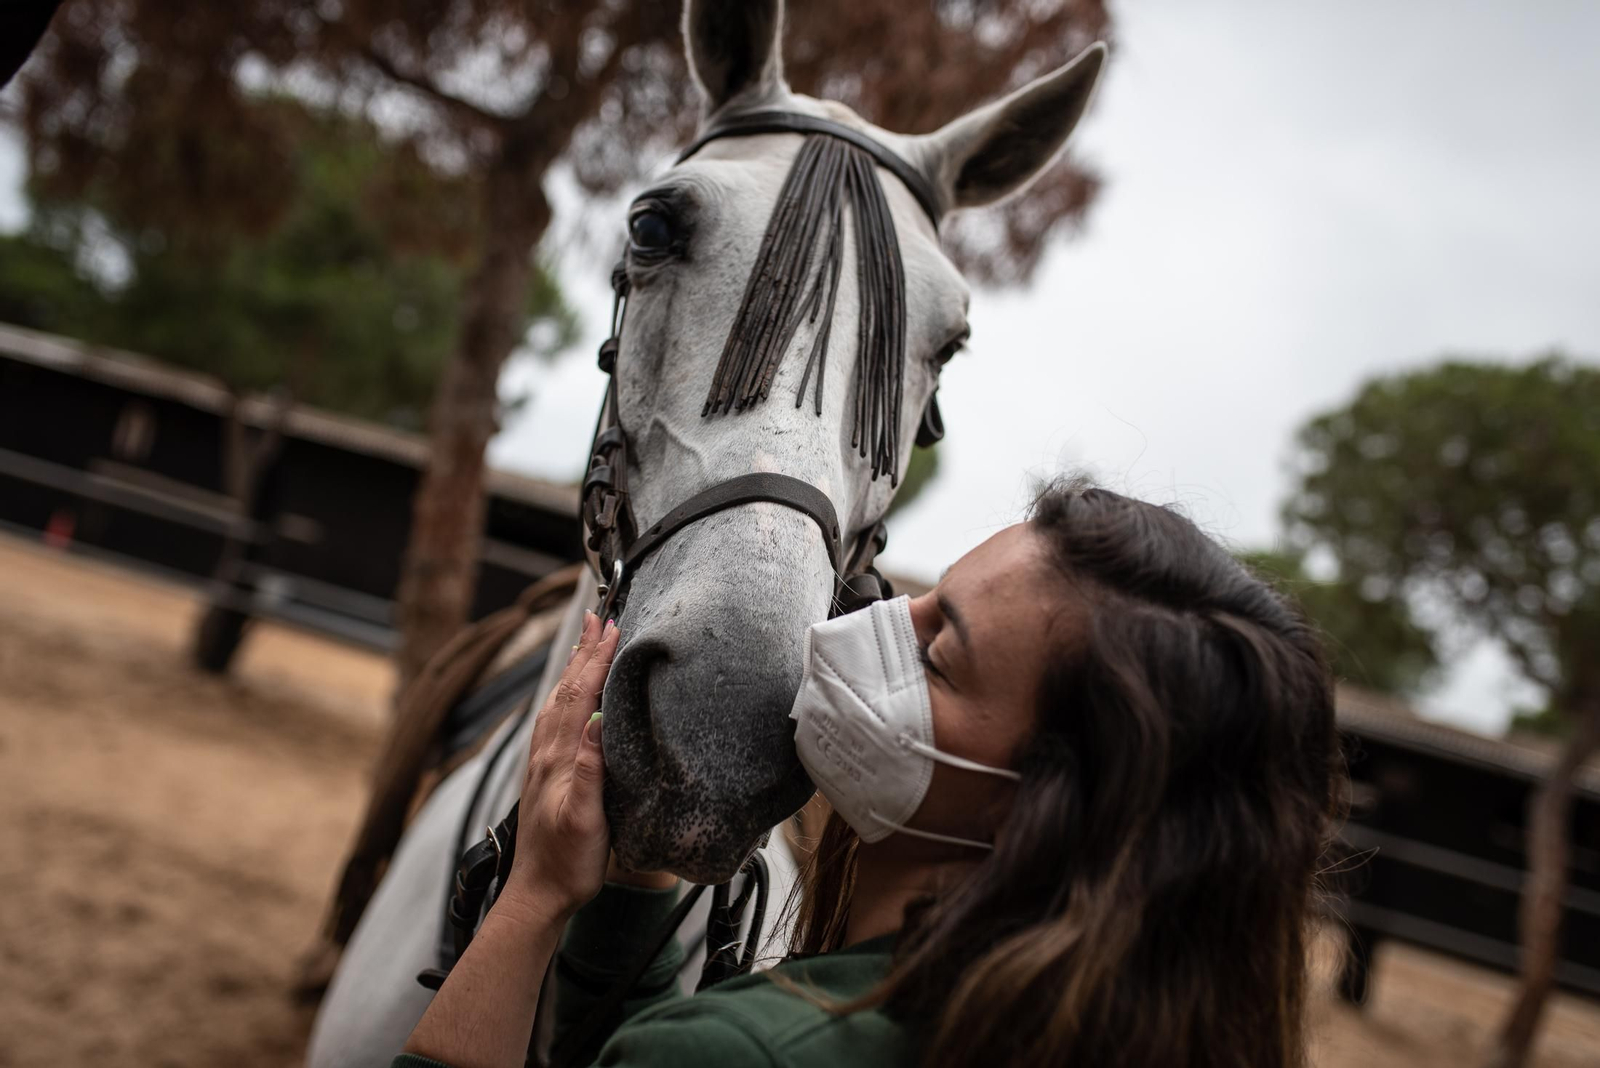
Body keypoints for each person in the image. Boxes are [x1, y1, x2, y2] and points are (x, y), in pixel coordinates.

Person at [394, 478, 1340, 1068]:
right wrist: (632, 885)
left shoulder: (744, 1050)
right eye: (915, 602)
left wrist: (527, 906)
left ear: (1040, 810)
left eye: (936, 655)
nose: (854, 637)